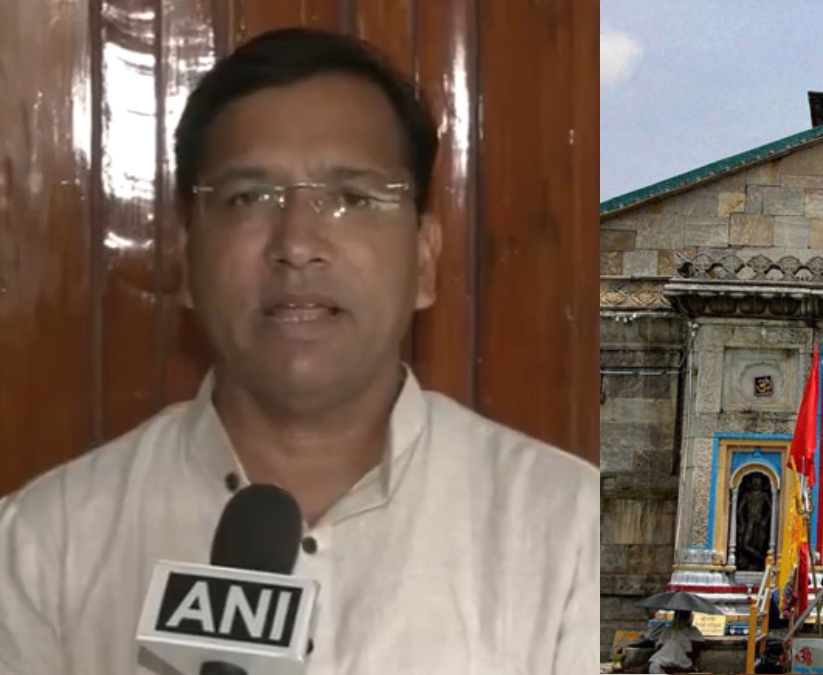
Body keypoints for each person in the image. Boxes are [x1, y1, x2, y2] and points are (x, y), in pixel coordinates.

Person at [0, 28, 598, 675]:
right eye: (248, 197)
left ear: (424, 260)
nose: (297, 243)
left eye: (351, 198)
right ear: (184, 257)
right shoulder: (40, 545)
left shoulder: (567, 529)